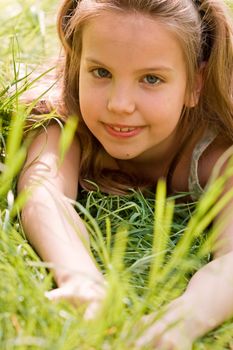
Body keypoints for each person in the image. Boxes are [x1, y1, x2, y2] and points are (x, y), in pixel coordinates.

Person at [18, 0, 233, 348]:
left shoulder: (217, 152)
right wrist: (80, 277)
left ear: (195, 84)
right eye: (101, 72)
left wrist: (187, 316)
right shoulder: (64, 119)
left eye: (151, 79)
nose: (120, 104)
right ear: (76, 64)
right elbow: (44, 191)